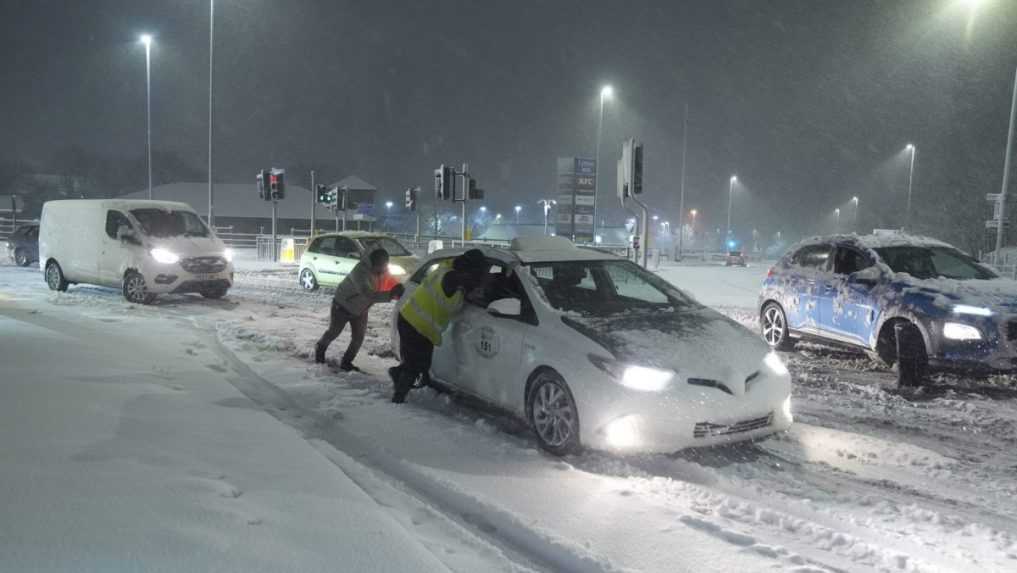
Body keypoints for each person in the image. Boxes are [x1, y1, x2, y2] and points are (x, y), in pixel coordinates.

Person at [389, 248, 490, 403]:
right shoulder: (454, 279)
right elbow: (455, 307)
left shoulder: (447, 268)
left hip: (412, 320)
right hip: (416, 325)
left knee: (420, 363)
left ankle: (397, 374)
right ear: (471, 269)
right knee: (416, 364)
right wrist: (470, 289)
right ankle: (398, 398)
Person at [315, 247, 404, 371]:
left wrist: (398, 287)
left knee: (358, 338)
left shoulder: (382, 270)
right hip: (342, 306)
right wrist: (390, 295)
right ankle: (320, 349)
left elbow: (390, 282)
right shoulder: (360, 272)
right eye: (382, 266)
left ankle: (346, 362)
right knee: (334, 332)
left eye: (385, 266)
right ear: (374, 263)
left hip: (361, 309)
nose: (384, 269)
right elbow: (368, 294)